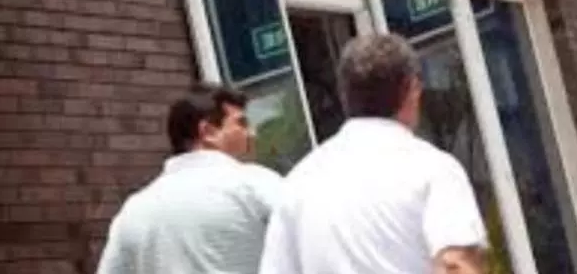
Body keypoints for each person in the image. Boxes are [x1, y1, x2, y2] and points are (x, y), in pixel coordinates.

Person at [259, 34, 489, 274]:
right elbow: (456, 264)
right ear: (412, 88)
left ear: (345, 94)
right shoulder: (433, 169)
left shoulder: (298, 184)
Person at [96, 84, 282, 274]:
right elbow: (300, 239)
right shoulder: (256, 184)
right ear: (208, 132)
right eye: (241, 123)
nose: (252, 133)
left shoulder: (134, 210)